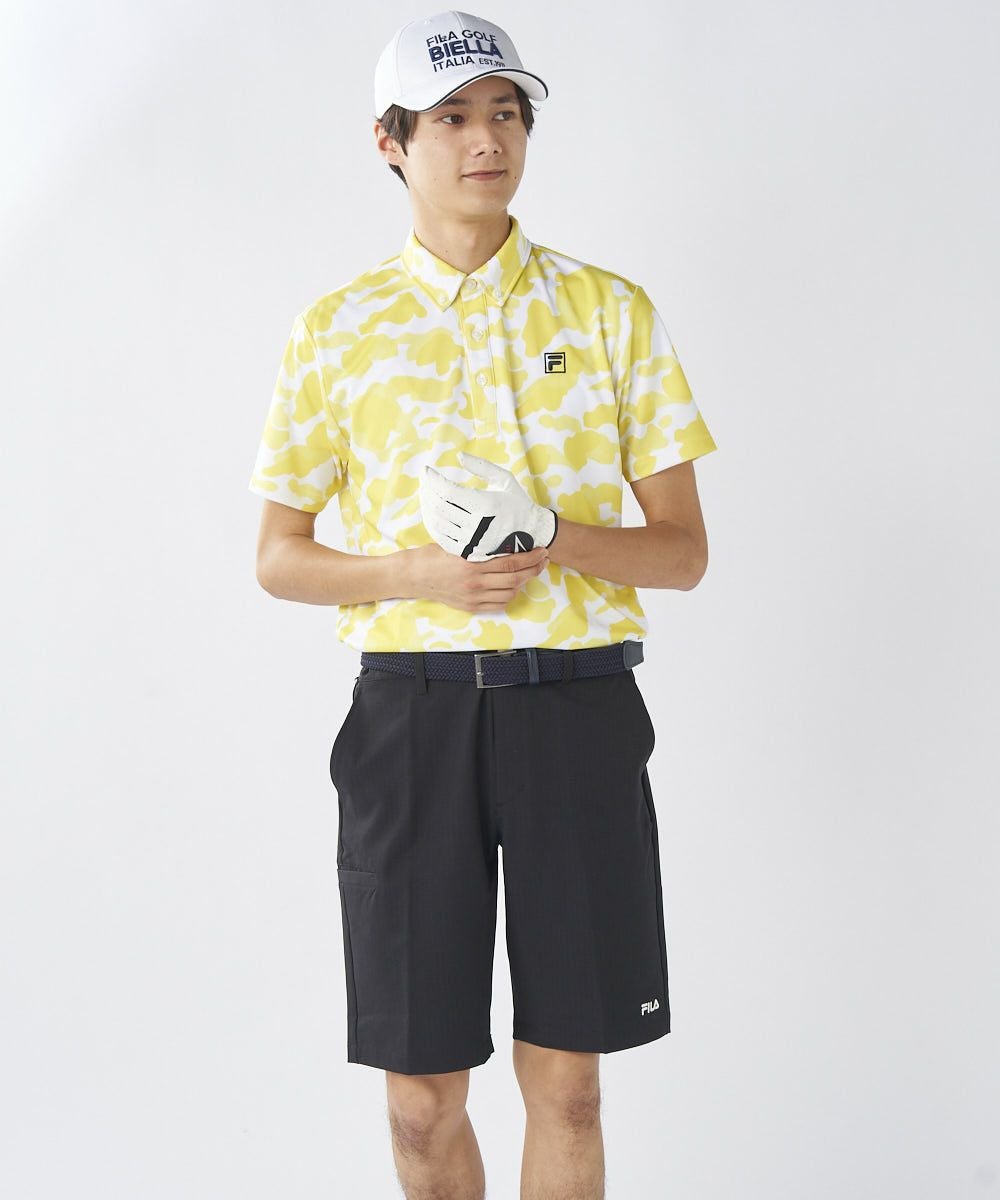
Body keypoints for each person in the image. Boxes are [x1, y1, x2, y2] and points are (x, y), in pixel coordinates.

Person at [248, 9, 717, 1197]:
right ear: (390, 141)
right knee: (420, 1103)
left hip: (576, 712)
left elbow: (681, 556)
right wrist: (417, 574)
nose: (486, 139)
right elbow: (280, 558)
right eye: (451, 117)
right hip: (410, 723)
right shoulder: (338, 331)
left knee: (569, 1084)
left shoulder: (608, 311)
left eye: (505, 113)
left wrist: (553, 535)